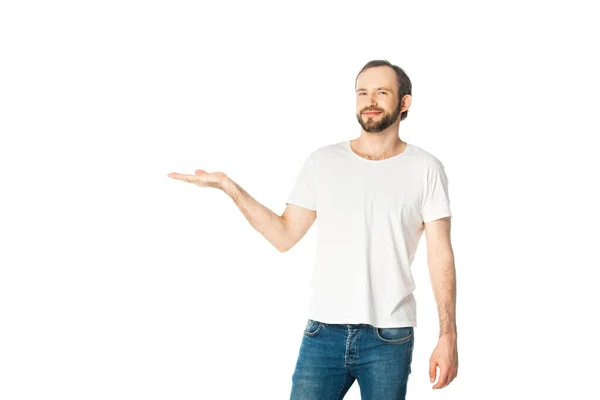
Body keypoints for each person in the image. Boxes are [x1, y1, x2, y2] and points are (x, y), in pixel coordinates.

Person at [167, 59, 458, 399]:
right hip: (323, 333)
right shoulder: (323, 162)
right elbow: (284, 235)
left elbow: (440, 256)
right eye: (362, 92)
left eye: (382, 92)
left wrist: (447, 335)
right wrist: (229, 187)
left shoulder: (426, 169)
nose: (370, 101)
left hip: (389, 337)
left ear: (404, 102)